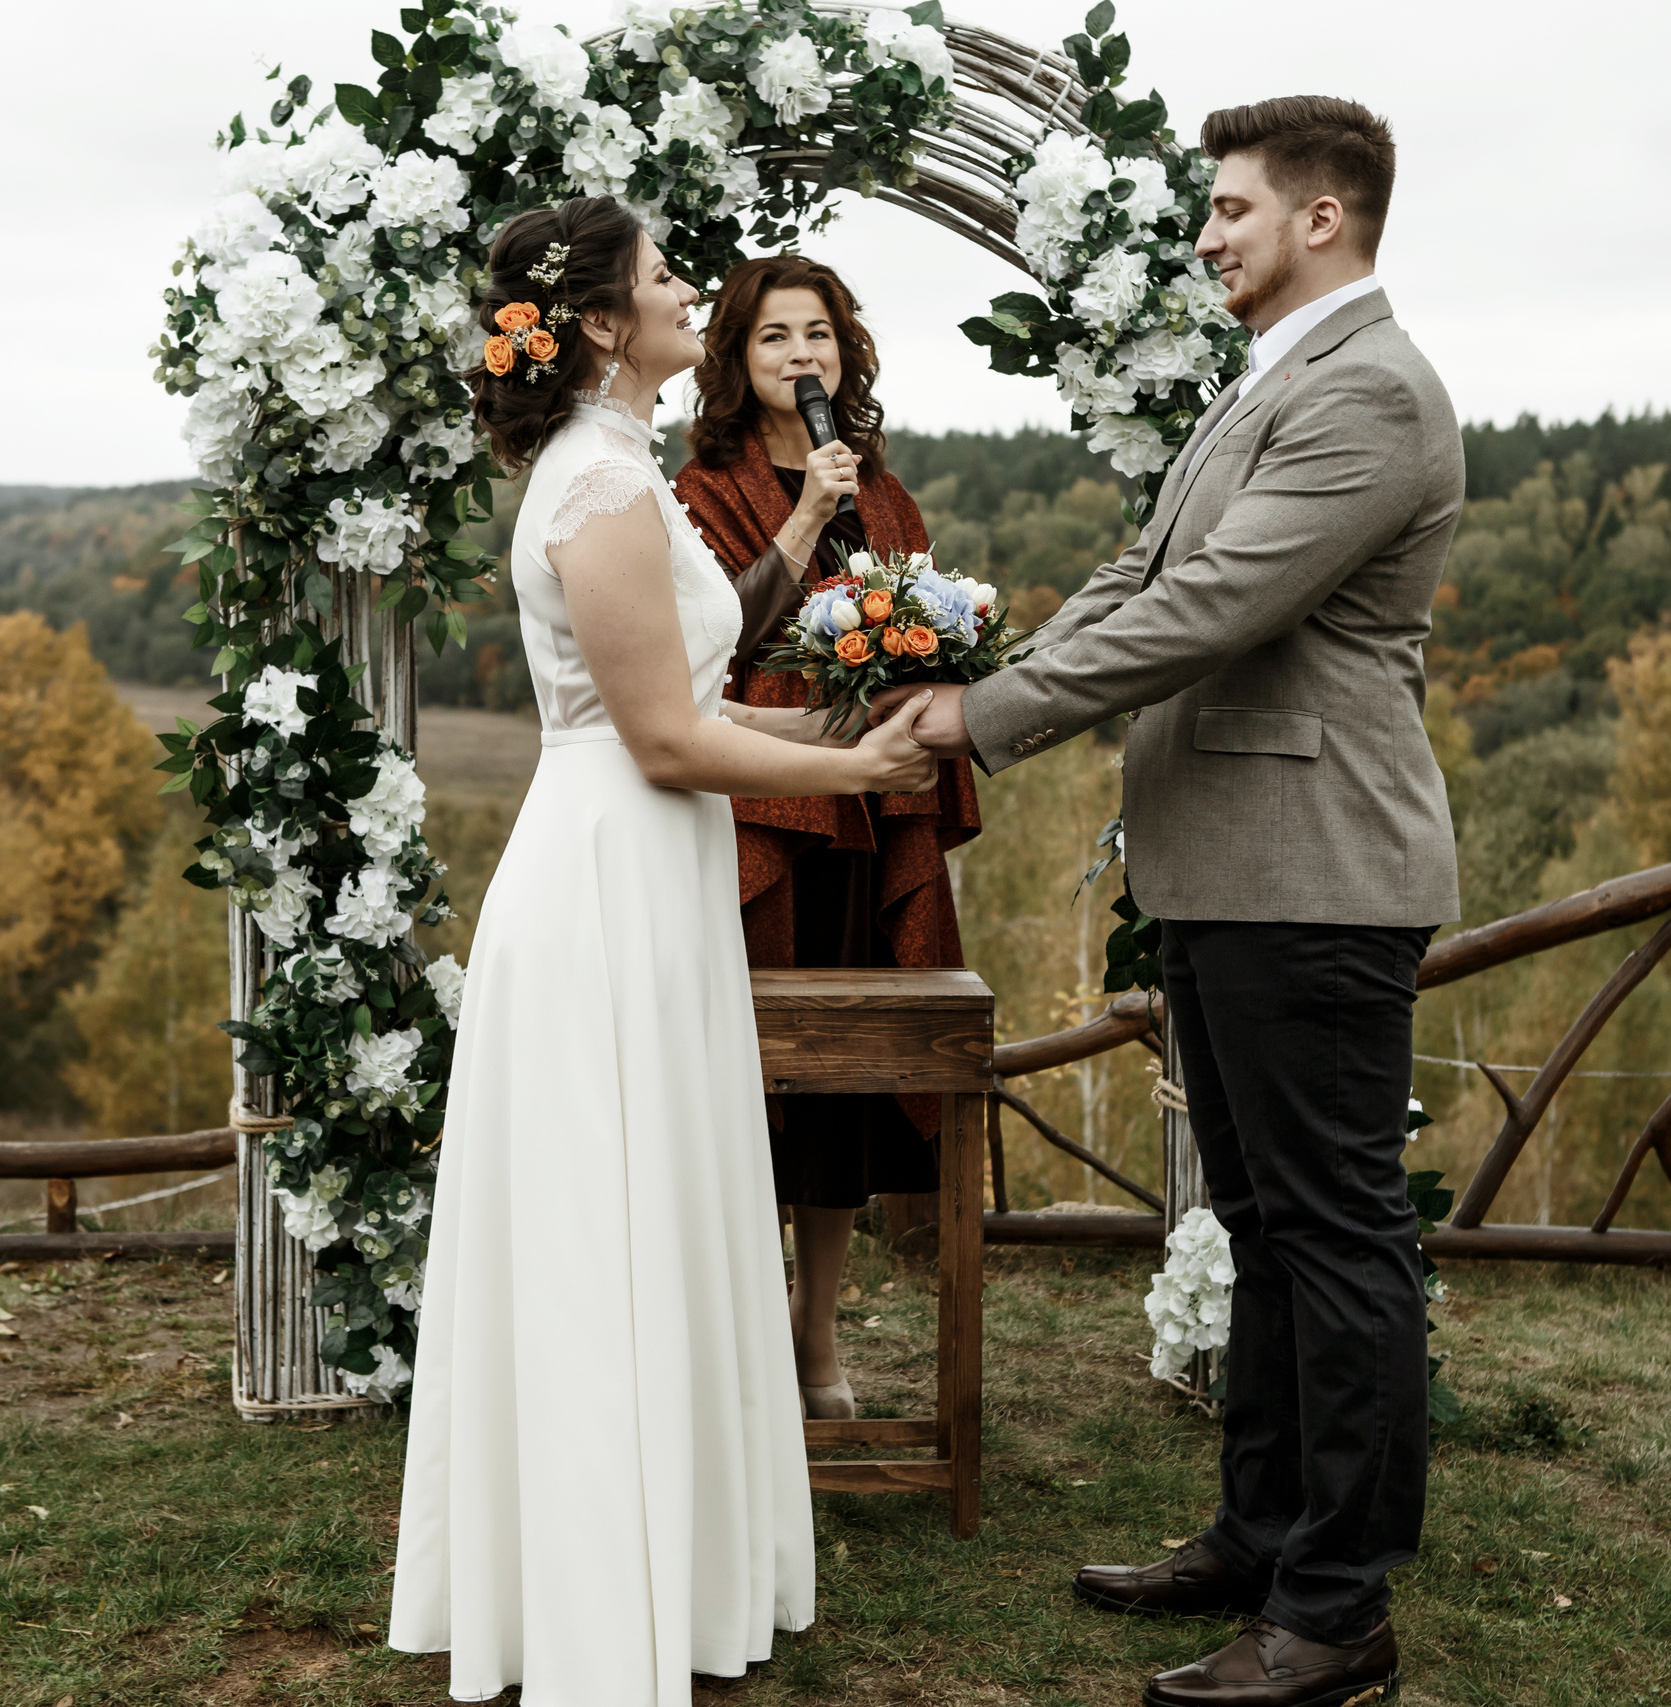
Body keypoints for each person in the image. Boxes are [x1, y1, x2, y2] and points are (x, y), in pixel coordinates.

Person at [880, 97, 1462, 1707]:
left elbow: (1215, 606)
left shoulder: (1373, 391)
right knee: (1264, 1224)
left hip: (1314, 869)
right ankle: (1261, 1534)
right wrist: (987, 674)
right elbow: (1141, 575)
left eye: (1229, 208)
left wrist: (991, 718)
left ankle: (1336, 1610)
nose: (1205, 236)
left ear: (1323, 217)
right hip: (1226, 866)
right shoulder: (1266, 380)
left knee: (1337, 1233)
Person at [387, 196, 941, 1706]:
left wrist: (837, 723)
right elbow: (659, 740)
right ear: (600, 324)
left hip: (657, 866)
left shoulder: (622, 466)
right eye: (662, 275)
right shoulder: (593, 484)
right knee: (600, 1224)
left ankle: (670, 1566)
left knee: (660, 1203)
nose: (689, 288)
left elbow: (705, 697)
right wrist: (857, 771)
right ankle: (590, 1594)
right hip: (606, 879)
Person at [671, 255, 983, 1422]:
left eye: (818, 335)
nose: (801, 355)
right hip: (758, 808)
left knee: (845, 1091)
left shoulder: (884, 496)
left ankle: (815, 1338)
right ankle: (741, 1335)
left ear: (845, 354)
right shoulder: (699, 490)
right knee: (752, 1081)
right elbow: (716, 643)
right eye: (774, 337)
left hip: (869, 814)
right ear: (734, 360)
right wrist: (803, 516)